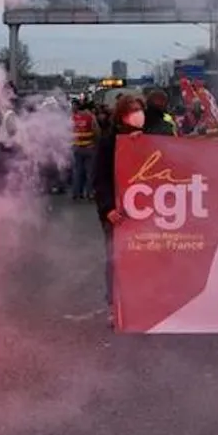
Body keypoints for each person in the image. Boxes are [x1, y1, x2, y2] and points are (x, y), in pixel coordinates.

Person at [93, 95, 145, 329]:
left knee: (144, 257)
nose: (138, 114)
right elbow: (100, 178)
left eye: (140, 109)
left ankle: (143, 303)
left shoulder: (149, 137)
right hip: (117, 211)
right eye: (132, 110)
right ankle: (115, 307)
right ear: (122, 114)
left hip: (144, 211)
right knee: (115, 259)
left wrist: (143, 144)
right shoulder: (108, 141)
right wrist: (107, 209)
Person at [70, 100, 99, 201]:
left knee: (77, 171)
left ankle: (76, 193)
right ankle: (90, 193)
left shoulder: (72, 118)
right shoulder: (91, 117)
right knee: (90, 172)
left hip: (76, 148)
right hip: (89, 147)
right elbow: (97, 132)